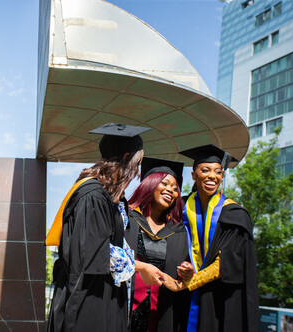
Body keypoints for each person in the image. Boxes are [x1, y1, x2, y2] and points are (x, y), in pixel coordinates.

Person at [46, 123, 165, 332]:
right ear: (127, 158)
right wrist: (142, 267)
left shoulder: (109, 195)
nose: (137, 171)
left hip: (104, 295)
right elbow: (96, 252)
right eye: (137, 163)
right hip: (87, 299)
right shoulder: (93, 195)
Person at [162, 144, 259, 332]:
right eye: (205, 170)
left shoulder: (234, 214)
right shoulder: (179, 209)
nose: (212, 176)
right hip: (180, 292)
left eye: (218, 172)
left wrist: (191, 282)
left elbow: (229, 261)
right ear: (194, 175)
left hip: (218, 295)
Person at [125, 157, 193, 332]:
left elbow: (186, 265)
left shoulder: (178, 231)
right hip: (125, 304)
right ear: (150, 184)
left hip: (161, 309)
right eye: (165, 183)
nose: (170, 190)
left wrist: (187, 269)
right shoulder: (127, 218)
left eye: (175, 188)